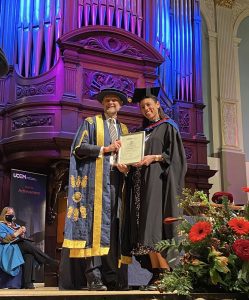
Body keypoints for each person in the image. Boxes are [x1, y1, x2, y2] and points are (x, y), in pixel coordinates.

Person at [61, 87, 130, 291]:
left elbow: (127, 156)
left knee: (113, 229)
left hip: (117, 184)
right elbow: (78, 148)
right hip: (95, 185)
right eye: (107, 100)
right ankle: (93, 276)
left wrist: (125, 165)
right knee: (94, 228)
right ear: (102, 104)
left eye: (115, 101)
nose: (111, 103)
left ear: (120, 105)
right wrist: (105, 149)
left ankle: (111, 276)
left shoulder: (124, 130)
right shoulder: (91, 123)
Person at [125, 87, 187, 290]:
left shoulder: (168, 127)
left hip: (158, 183)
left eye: (149, 105)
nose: (146, 109)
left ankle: (165, 272)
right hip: (140, 183)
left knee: (154, 227)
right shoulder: (141, 132)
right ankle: (156, 273)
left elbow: (176, 156)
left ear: (158, 104)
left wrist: (155, 157)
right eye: (143, 107)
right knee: (143, 228)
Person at [0, 207, 58, 289]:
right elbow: (4, 239)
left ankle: (27, 283)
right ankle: (48, 261)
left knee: (29, 255)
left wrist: (22, 233)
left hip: (19, 245)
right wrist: (17, 233)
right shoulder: (1, 225)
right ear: (4, 215)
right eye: (9, 214)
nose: (11, 216)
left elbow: (22, 237)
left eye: (12, 214)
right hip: (7, 247)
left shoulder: (16, 225)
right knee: (25, 243)